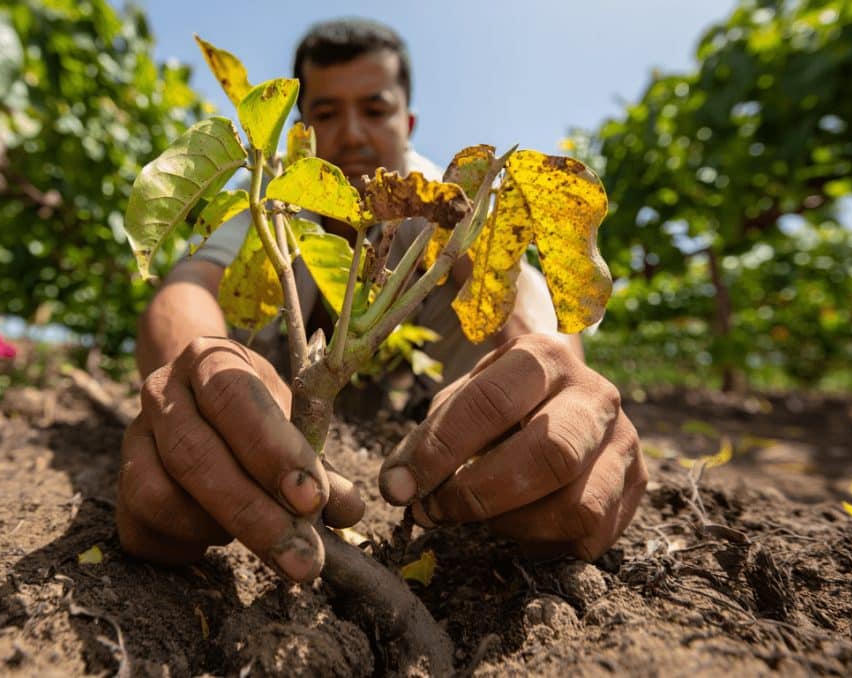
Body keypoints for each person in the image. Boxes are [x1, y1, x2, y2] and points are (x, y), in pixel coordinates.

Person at [117, 18, 646, 583]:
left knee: (506, 301)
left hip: (410, 399)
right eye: (326, 113)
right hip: (267, 401)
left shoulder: (441, 196)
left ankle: (497, 427)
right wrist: (197, 380)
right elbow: (186, 290)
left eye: (375, 110)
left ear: (407, 123)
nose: (351, 135)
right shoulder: (277, 196)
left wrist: (551, 376)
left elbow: (515, 297)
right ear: (300, 130)